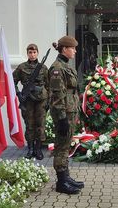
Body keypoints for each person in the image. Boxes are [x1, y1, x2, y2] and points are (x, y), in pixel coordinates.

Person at [48, 36, 84, 195]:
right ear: (64, 49)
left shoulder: (65, 66)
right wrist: (62, 117)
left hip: (70, 110)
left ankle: (66, 176)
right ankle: (61, 182)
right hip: (64, 112)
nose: (75, 51)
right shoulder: (57, 68)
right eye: (73, 48)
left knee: (66, 143)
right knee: (62, 145)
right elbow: (57, 95)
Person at [13, 44, 49, 160]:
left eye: (34, 52)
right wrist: (18, 94)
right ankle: (30, 149)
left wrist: (48, 100)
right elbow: (12, 81)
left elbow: (49, 86)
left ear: (37, 53)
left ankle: (38, 149)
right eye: (30, 52)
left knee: (40, 124)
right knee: (29, 124)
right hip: (27, 100)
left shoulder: (43, 68)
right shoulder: (21, 67)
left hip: (41, 100)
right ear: (27, 53)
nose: (32, 55)